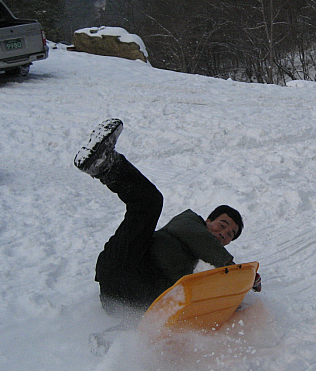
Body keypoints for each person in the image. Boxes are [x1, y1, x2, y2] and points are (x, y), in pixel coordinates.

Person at [73, 118, 260, 321]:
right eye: (223, 225)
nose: (224, 233)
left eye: (230, 234)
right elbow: (198, 238)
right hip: (125, 263)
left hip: (129, 297)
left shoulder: (197, 262)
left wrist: (235, 296)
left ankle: (120, 337)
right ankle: (105, 164)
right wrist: (233, 269)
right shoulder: (188, 223)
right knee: (150, 202)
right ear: (208, 220)